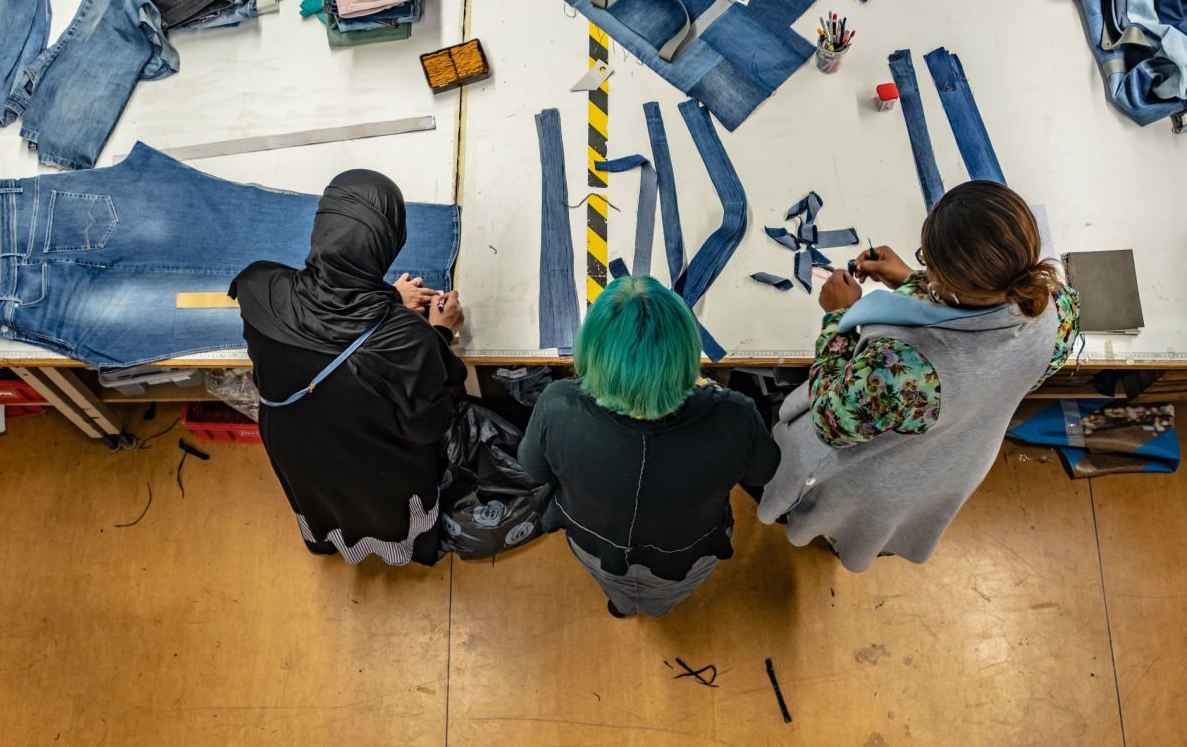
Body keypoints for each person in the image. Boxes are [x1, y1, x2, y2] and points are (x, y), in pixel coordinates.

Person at [758, 180, 1081, 572]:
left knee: (849, 519)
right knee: (893, 524)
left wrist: (838, 318)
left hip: (885, 476)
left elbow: (831, 419)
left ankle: (829, 537)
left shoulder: (901, 369)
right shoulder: (1056, 308)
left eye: (928, 261)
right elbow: (995, 342)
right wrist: (913, 281)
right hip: (954, 462)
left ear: (949, 282)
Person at [230, 170, 467, 566]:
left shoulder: (260, 285)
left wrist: (389, 298)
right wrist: (440, 331)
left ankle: (326, 545)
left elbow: (325, 322)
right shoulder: (407, 340)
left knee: (322, 501)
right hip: (368, 455)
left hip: (294, 442)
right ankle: (409, 551)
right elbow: (428, 425)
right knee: (382, 509)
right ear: (389, 243)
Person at [518, 276, 780, 618]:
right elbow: (763, 472)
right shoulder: (735, 416)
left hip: (597, 545)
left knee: (614, 586)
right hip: (686, 554)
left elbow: (533, 469)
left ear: (592, 352)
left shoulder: (558, 406)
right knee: (666, 596)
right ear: (687, 352)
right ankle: (657, 610)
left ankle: (622, 606)